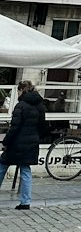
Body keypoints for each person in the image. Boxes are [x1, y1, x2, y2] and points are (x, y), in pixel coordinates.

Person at [0, 80, 47, 209]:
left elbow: (14, 127)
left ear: (22, 90)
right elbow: (43, 126)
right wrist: (36, 138)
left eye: (18, 91)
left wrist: (5, 142)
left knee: (2, 166)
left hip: (17, 143)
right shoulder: (40, 106)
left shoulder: (21, 105)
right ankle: (25, 202)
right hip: (31, 143)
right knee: (25, 170)